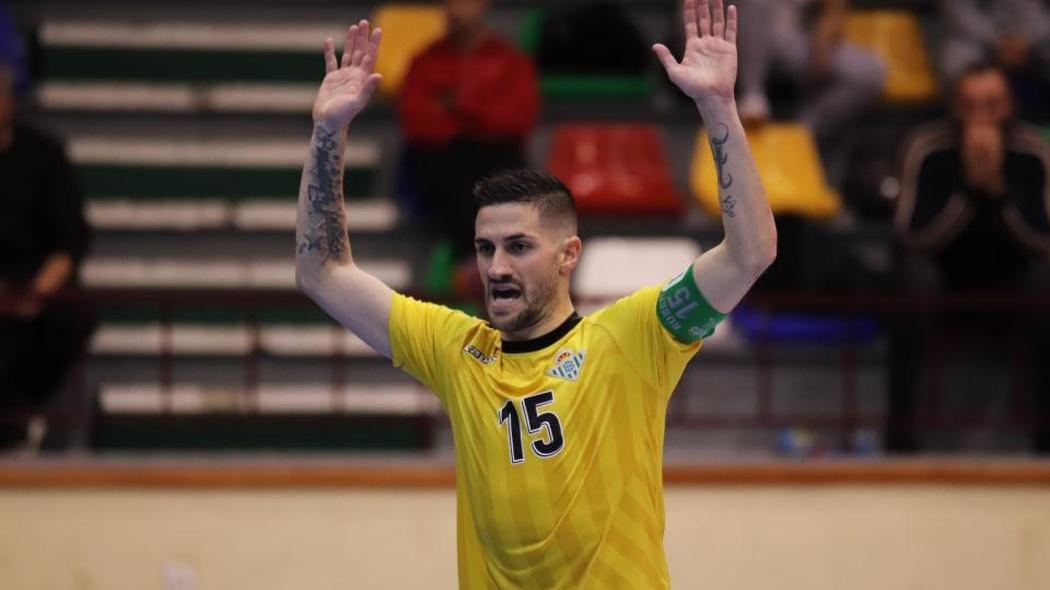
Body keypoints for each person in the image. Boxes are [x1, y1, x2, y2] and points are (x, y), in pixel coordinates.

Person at [296, 0, 776, 586]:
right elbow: (321, 273)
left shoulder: (633, 335)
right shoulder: (455, 350)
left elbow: (751, 252)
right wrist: (328, 132)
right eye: (484, 248)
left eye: (519, 247)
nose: (496, 266)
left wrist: (718, 104)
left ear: (568, 254)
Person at [889, 63, 1050, 452]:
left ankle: (1045, 434)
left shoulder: (1033, 152)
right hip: (943, 278)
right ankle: (901, 434)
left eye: (992, 105)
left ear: (1010, 106)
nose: (981, 117)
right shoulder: (927, 148)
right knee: (911, 279)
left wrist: (997, 190)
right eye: (970, 105)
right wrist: (967, 189)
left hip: (1013, 280)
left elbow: (1042, 240)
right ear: (954, 108)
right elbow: (911, 236)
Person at [398, 0, 539, 265]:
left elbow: (514, 121)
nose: (456, 8)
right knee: (449, 165)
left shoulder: (510, 61)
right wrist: (482, 110)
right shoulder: (424, 61)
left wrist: (457, 104)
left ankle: (476, 260)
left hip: (495, 159)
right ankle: (474, 259)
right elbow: (418, 124)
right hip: (441, 166)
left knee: (496, 171)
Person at [0, 60, 93, 449]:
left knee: (71, 318)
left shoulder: (44, 154)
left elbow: (71, 236)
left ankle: (27, 421)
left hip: (36, 281)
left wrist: (36, 292)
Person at [734, 0, 886, 143]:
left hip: (798, 39)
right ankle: (752, 96)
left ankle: (802, 131)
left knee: (870, 72)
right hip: (741, 36)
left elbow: (834, 8)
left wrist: (825, 32)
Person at [939, 0, 1050, 98]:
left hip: (1026, 37)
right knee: (956, 60)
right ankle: (973, 116)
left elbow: (1039, 14)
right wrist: (998, 41)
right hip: (976, 37)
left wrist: (1025, 40)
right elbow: (960, 14)